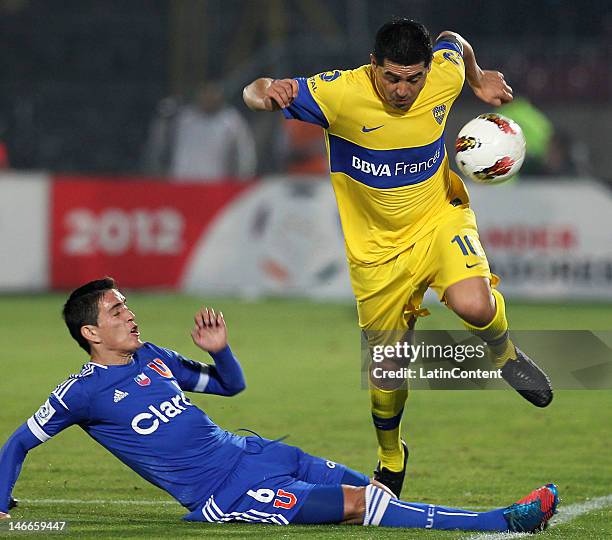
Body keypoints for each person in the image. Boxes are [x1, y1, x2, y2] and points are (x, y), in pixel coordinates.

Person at [243, 18, 553, 497]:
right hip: (376, 255)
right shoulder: (339, 94)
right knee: (388, 372)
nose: (403, 90)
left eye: (413, 78)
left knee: (475, 305)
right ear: (373, 68)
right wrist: (270, 89)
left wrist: (475, 74)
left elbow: (454, 40)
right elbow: (253, 91)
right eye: (392, 77)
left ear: (429, 71)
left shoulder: (444, 74)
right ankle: (392, 456)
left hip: (438, 221)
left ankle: (505, 355)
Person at [0, 278, 558, 532]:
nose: (130, 315)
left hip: (253, 453)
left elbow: (227, 387)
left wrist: (222, 353)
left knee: (374, 492)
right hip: (227, 492)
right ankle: (502, 521)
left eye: (127, 306)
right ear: (92, 333)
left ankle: (481, 521)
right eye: (117, 311)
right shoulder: (81, 392)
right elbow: (18, 442)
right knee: (361, 503)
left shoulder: (154, 358)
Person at [143, 82, 257, 181]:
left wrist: (243, 178)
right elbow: (159, 143)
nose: (209, 97)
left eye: (213, 93)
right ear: (198, 94)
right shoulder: (182, 117)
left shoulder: (231, 121)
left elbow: (245, 151)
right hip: (181, 181)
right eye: (205, 92)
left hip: (215, 183)